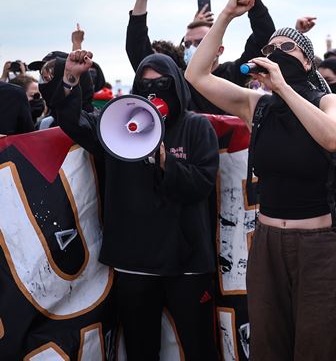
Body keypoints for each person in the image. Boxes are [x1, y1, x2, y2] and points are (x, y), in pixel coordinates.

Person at [185, 0, 336, 360]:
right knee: (268, 346)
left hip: (318, 245)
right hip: (266, 241)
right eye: (270, 47)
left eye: (287, 46)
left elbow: (332, 138)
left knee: (319, 346)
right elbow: (195, 75)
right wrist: (227, 14)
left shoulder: (328, 103)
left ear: (307, 60)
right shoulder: (256, 105)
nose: (276, 51)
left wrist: (284, 88)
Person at [55, 50, 220, 360]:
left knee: (199, 347)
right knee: (140, 348)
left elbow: (201, 185)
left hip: (187, 264)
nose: (153, 92)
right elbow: (72, 121)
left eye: (162, 84)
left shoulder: (196, 127)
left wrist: (165, 164)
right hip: (135, 261)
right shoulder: (115, 126)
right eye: (145, 85)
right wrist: (71, 78)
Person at [126, 0, 276, 114]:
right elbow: (138, 50)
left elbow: (265, 35)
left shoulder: (236, 73)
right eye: (188, 43)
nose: (193, 48)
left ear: (219, 49)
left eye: (200, 42)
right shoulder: (180, 79)